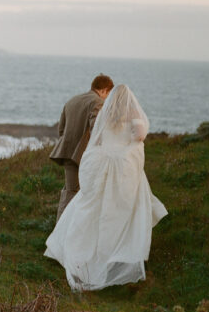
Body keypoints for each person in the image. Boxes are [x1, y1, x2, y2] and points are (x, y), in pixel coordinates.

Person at [44, 84, 168, 291]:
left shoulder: (106, 113)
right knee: (118, 212)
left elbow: (97, 139)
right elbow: (140, 135)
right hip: (121, 168)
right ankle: (115, 256)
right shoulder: (131, 113)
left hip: (101, 165)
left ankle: (81, 254)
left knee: (90, 207)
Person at [49, 75, 114, 222]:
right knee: (74, 193)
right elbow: (97, 131)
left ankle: (68, 228)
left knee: (70, 191)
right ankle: (63, 231)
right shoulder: (97, 102)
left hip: (67, 153)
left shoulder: (72, 100)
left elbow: (61, 130)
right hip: (84, 157)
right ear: (104, 90)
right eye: (108, 95)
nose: (107, 99)